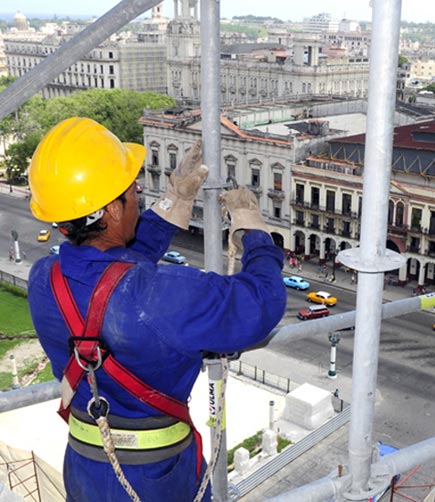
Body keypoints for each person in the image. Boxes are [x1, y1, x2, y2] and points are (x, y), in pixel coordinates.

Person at [26, 117, 287, 501]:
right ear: (113, 211)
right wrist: (254, 233)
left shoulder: (43, 278)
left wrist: (174, 202)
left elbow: (113, 272)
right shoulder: (161, 294)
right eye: (131, 191)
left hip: (85, 467)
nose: (137, 194)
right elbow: (263, 301)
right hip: (156, 479)